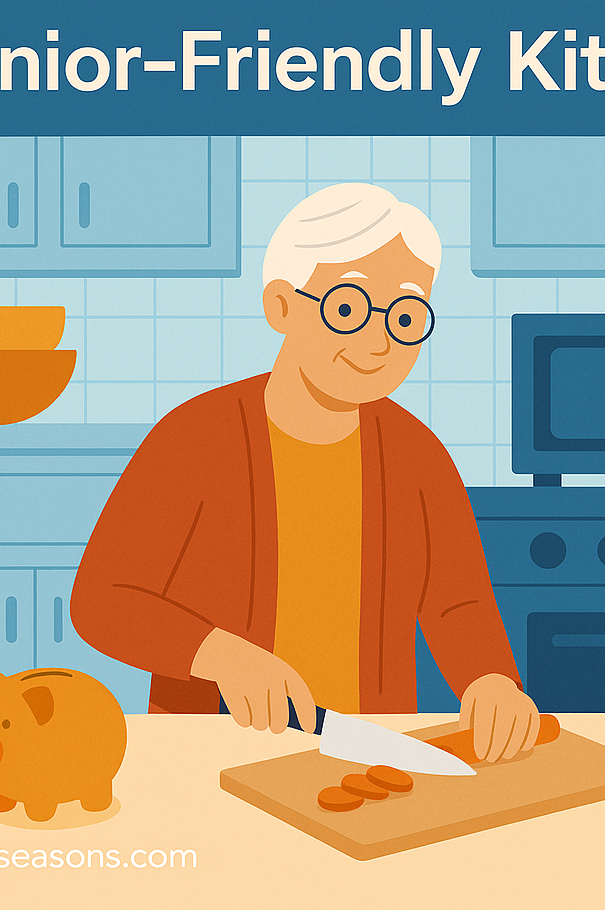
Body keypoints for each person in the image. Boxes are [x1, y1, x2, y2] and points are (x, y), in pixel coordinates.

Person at [70, 182, 540, 762]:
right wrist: (218, 654)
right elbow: (104, 599)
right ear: (282, 307)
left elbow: (456, 604)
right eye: (348, 308)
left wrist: (490, 680)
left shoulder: (417, 453)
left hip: (374, 751)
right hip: (216, 752)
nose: (379, 341)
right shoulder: (195, 439)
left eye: (406, 315)